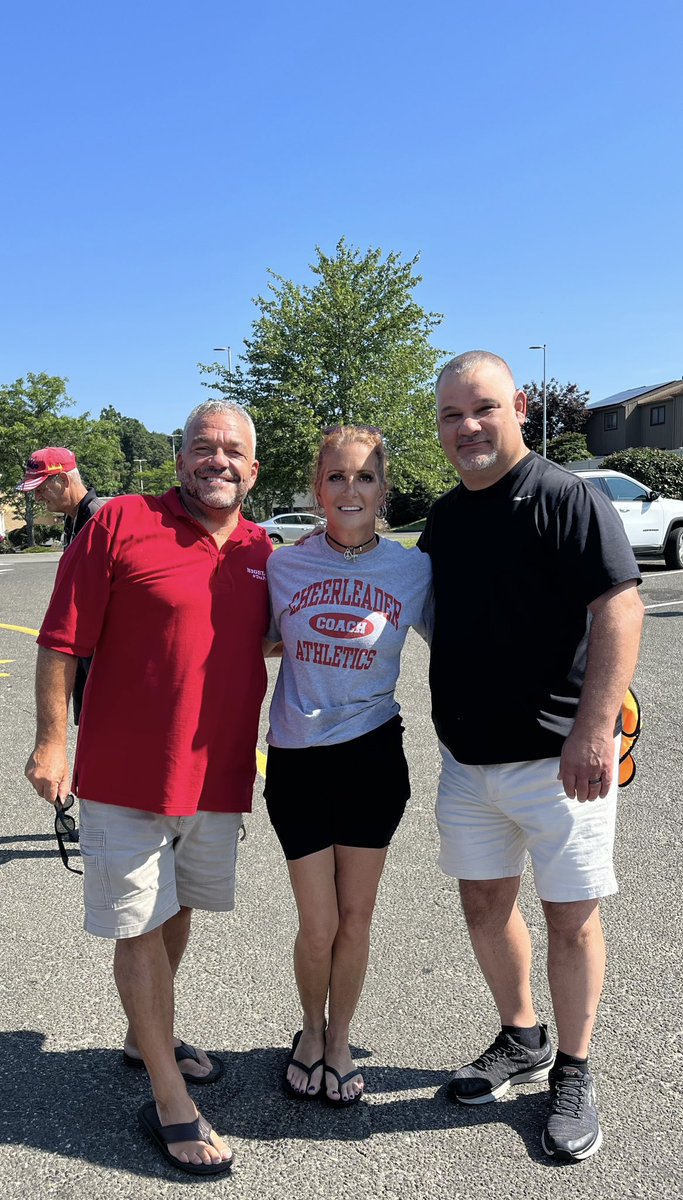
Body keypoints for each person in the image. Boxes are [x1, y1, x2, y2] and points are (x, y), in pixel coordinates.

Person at [24, 400, 271, 1178]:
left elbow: (270, 636)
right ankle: (169, 1098)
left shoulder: (261, 549)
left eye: (231, 450)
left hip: (215, 774)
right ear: (180, 459)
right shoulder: (120, 522)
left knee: (178, 909)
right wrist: (52, 743)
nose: (216, 460)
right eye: (202, 447)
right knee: (138, 924)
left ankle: (144, 1037)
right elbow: (61, 640)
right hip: (124, 774)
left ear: (253, 468)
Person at [418, 351, 643, 1162]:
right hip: (467, 760)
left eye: (482, 408)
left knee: (569, 919)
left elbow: (619, 607)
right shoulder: (445, 517)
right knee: (483, 906)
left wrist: (593, 729)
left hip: (559, 761)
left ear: (516, 407)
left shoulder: (564, 497)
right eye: (451, 415)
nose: (467, 427)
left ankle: (574, 1071)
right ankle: (522, 1037)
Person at [264, 425, 432, 1106]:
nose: (350, 489)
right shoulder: (283, 567)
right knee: (318, 923)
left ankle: (340, 1043)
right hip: (297, 759)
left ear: (383, 489)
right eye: (336, 476)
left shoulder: (413, 571)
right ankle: (310, 1030)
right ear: (317, 488)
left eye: (364, 476)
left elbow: (478, 641)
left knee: (355, 918)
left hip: (372, 758)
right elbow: (239, 638)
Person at [17, 447, 106, 723]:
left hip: (105, 650)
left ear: (64, 480)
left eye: (41, 487)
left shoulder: (99, 519)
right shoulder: (74, 518)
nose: (37, 496)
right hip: (85, 644)